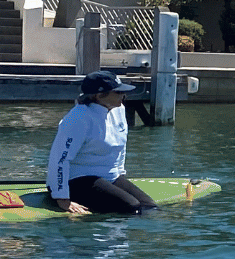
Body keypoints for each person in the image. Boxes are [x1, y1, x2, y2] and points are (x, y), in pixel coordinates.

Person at [46, 70, 157, 215]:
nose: (123, 95)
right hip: (76, 179)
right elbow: (59, 159)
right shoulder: (77, 118)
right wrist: (61, 198)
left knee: (149, 207)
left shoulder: (119, 110)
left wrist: (121, 177)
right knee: (132, 207)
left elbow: (120, 147)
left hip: (109, 176)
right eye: (117, 92)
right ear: (99, 96)